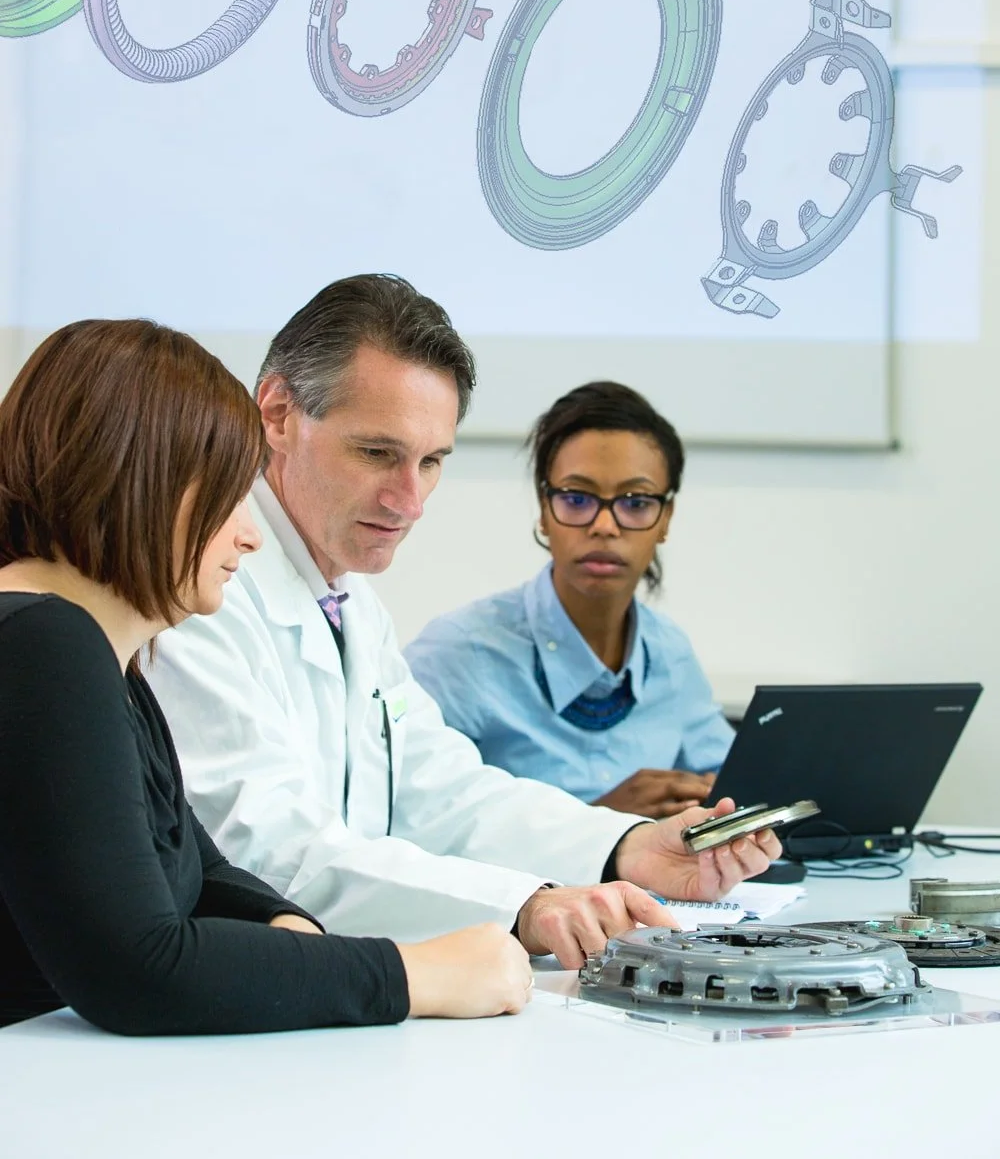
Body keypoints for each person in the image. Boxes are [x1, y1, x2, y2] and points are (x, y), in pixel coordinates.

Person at [150, 276, 779, 963]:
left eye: (432, 462)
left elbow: (444, 793)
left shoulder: (350, 602)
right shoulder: (197, 591)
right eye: (377, 454)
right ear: (276, 412)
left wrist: (623, 846)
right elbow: (266, 855)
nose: (409, 501)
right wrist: (525, 907)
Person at [0, 318, 533, 1033]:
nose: (249, 533)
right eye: (225, 497)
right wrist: (420, 975)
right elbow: (138, 968)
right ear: (138, 480)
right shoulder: (44, 645)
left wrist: (287, 926)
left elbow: (202, 871)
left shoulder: (104, 658)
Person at [407, 382, 732, 820]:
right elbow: (407, 823)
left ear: (665, 519)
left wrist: (721, 802)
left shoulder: (669, 652)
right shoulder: (460, 651)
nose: (604, 525)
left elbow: (736, 782)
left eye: (635, 503)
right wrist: (599, 823)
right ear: (544, 510)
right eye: (577, 499)